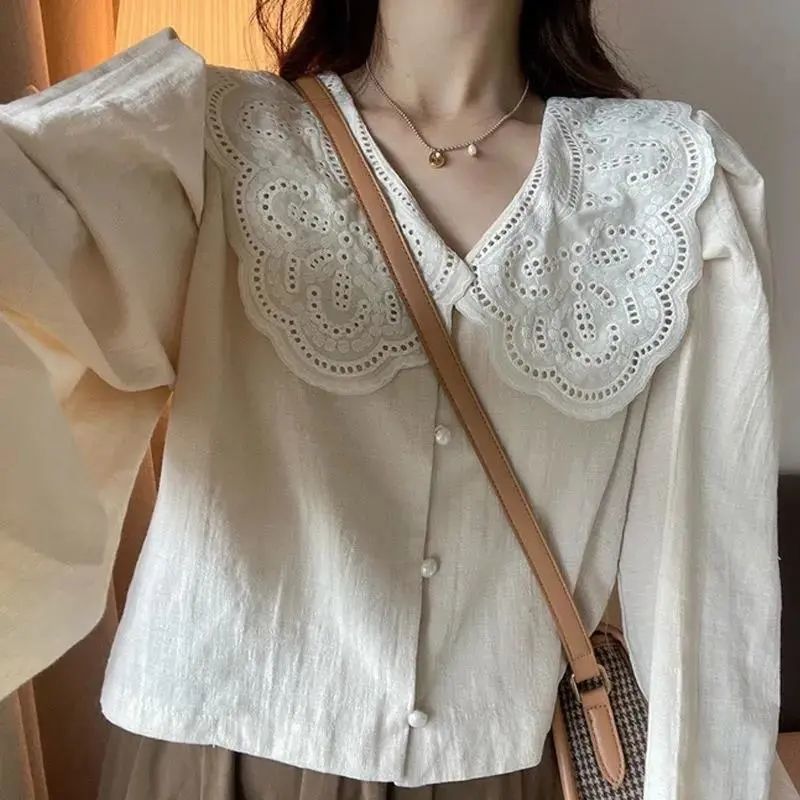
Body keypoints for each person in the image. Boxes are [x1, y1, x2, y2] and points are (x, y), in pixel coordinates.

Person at [0, 1, 781, 798]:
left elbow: (708, 583)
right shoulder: (201, 133)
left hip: (503, 771)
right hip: (215, 756)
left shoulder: (667, 179)